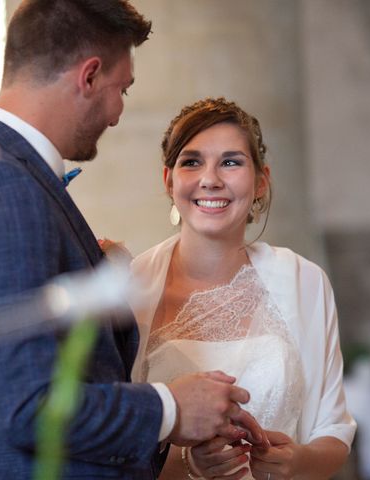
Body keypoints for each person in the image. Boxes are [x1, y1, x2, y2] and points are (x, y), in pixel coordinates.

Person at [0, 3, 265, 479]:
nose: (118, 114)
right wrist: (171, 408)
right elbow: (26, 404)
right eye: (123, 89)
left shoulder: (5, 175)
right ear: (89, 76)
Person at [131, 97, 357, 479]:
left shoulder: (305, 281)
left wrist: (297, 461)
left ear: (261, 181)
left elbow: (334, 431)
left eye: (231, 162)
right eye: (192, 162)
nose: (211, 179)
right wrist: (188, 466)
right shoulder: (133, 288)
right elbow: (111, 442)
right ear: (169, 180)